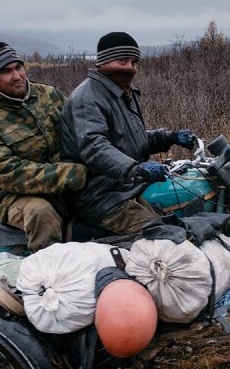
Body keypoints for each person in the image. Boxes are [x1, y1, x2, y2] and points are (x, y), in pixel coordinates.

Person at [60, 31, 195, 234]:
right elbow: (94, 147)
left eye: (134, 62)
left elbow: (130, 139)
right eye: (123, 61)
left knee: (177, 225)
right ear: (103, 62)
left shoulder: (121, 92)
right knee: (165, 238)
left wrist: (170, 137)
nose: (131, 68)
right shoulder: (87, 98)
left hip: (125, 189)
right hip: (101, 197)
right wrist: (135, 169)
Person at [0, 42, 87, 250]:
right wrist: (70, 175)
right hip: (13, 195)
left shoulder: (48, 95)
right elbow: (10, 173)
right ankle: (50, 272)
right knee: (40, 212)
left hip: (61, 184)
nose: (16, 76)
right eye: (6, 72)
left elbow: (82, 130)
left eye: (18, 67)